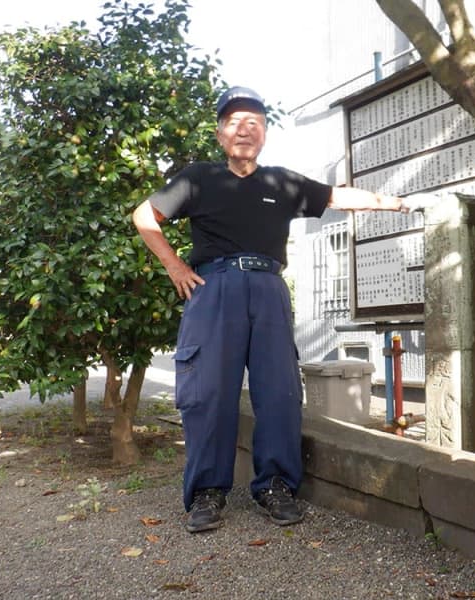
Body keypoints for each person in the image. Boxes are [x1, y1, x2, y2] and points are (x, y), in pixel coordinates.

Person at [132, 86, 428, 533]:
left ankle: (275, 487)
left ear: (265, 133)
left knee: (279, 393)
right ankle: (208, 493)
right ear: (220, 134)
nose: (244, 130)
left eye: (253, 122)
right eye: (234, 122)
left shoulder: (282, 183)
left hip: (269, 289)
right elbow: (144, 216)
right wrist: (174, 265)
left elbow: (336, 197)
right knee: (208, 393)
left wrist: (396, 202)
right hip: (214, 288)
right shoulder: (198, 178)